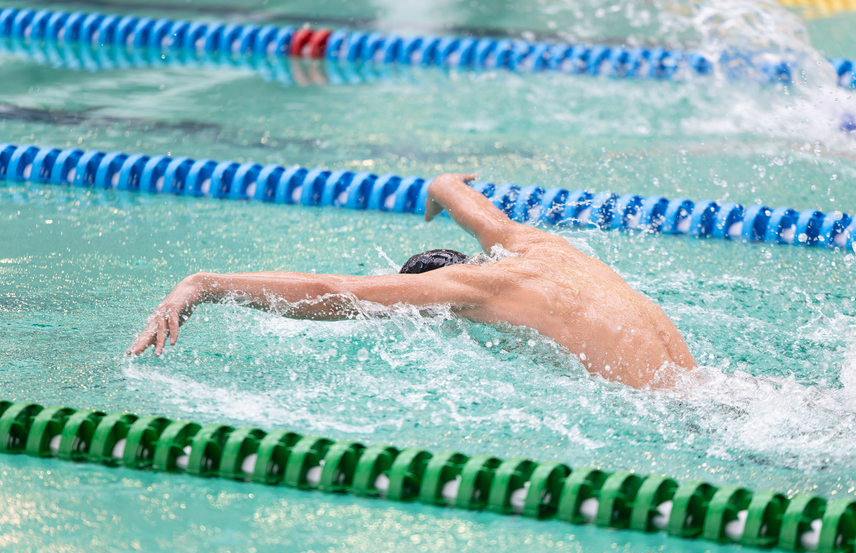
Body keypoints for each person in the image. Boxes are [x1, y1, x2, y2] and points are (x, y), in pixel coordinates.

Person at [127, 173, 696, 388]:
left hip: (671, 409)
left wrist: (203, 283)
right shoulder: (535, 247)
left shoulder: (470, 290)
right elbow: (470, 205)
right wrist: (442, 185)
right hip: (708, 384)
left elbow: (334, 291)